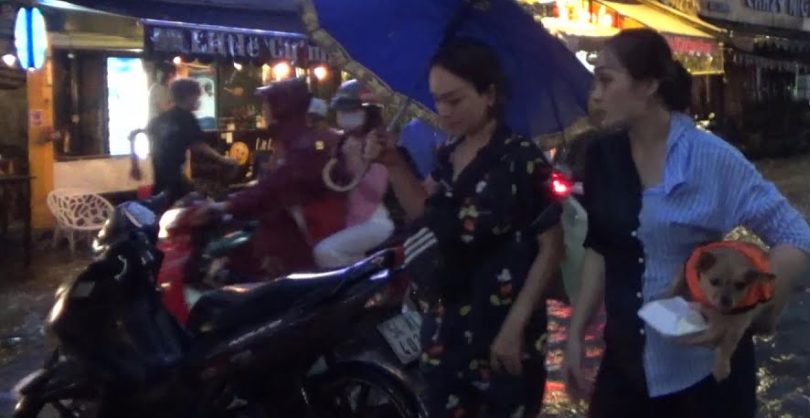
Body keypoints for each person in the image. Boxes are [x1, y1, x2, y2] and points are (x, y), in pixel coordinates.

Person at [564, 29, 810, 418]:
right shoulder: (601, 155)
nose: (594, 94)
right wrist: (576, 334)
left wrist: (747, 310)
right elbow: (601, 248)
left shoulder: (710, 157)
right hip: (624, 365)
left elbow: (795, 236)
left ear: (648, 85)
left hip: (704, 374)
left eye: (606, 79)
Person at [379, 38, 564, 418]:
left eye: (455, 100)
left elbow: (551, 247)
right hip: (445, 329)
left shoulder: (521, 159)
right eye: (437, 100)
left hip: (502, 333)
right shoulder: (448, 155)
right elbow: (424, 214)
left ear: (489, 94)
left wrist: (516, 327)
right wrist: (392, 163)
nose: (443, 111)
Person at [203, 79, 346, 279]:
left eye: (267, 103)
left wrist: (229, 205)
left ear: (281, 107)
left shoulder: (305, 145)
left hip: (296, 236)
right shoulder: (287, 140)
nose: (264, 109)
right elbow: (268, 183)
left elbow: (276, 185)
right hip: (277, 226)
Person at [312, 81, 395, 269]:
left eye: (350, 111)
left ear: (368, 112)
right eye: (341, 111)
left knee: (325, 252)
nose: (343, 116)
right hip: (350, 218)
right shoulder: (343, 141)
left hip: (375, 220)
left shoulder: (378, 143)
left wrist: (358, 163)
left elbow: (375, 193)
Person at [131, 78, 237, 200]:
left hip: (160, 184)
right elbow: (199, 146)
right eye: (197, 97)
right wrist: (223, 160)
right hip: (176, 184)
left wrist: (135, 165)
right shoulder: (186, 118)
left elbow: (135, 134)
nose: (198, 101)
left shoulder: (161, 119)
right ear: (190, 97)